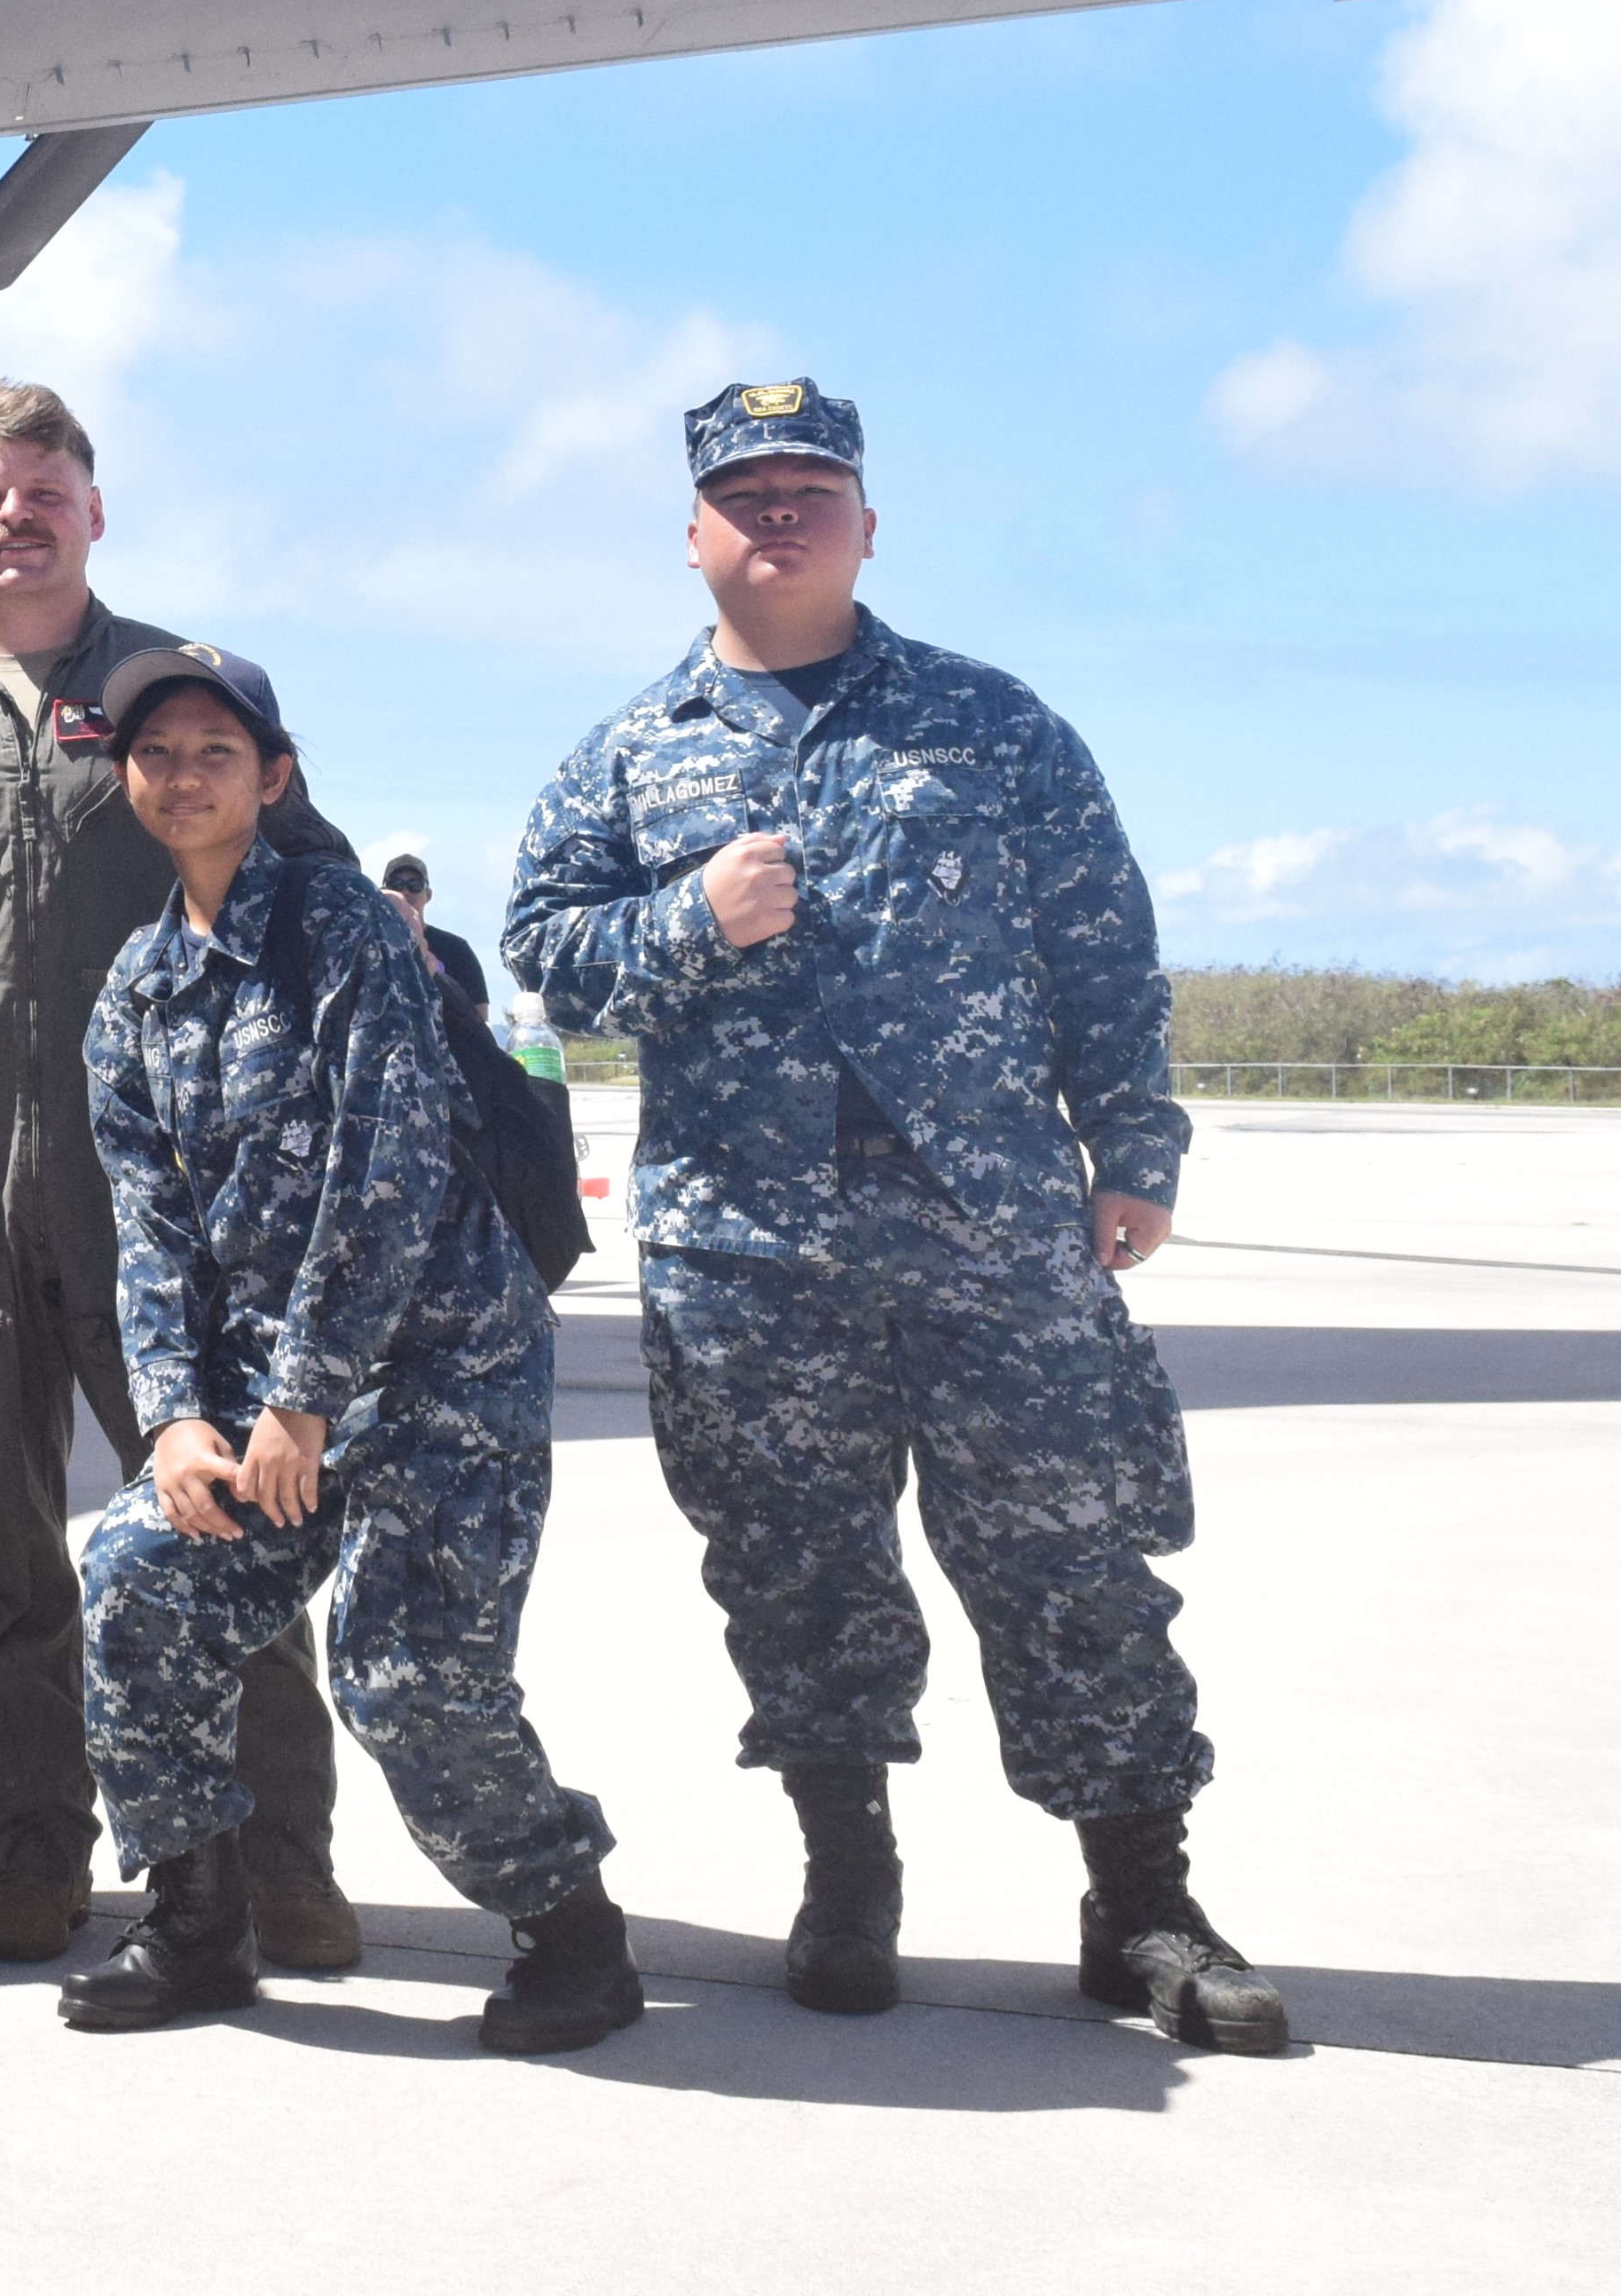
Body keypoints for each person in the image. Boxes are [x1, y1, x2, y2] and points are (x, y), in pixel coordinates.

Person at [505, 378, 1284, 2054]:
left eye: (809, 489)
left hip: (988, 1221)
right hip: (745, 1241)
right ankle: (845, 1878)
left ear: (866, 523)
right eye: (745, 492)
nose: (776, 514)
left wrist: (1132, 1144)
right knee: (794, 1574)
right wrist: (684, 921)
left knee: (1072, 1557)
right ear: (694, 530)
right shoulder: (627, 754)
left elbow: (1098, 940)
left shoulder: (992, 724)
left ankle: (1138, 1896)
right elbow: (546, 947)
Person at [0, 381, 360, 1972]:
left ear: (91, 511)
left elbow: (316, 881)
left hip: (158, 1159)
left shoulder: (176, 690)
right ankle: (33, 1837)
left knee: (218, 1507)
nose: (13, 516)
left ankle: (276, 1849)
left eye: (43, 490)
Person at [66, 647, 633, 2044]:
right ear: (126, 777)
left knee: (409, 1677)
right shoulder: (136, 990)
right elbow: (148, 1230)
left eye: (215, 750)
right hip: (267, 1402)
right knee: (137, 1578)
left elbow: (386, 1167)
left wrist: (308, 1395)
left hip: (443, 1371)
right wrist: (174, 1419)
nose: (184, 775)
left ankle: (573, 1929)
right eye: (157, 753)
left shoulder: (346, 929)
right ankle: (199, 1920)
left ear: (272, 773)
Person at [381, 854, 496, 1034]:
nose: (406, 892)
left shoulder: (456, 949)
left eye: (415, 884)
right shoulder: (372, 948)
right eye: (396, 884)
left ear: (428, 894)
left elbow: (480, 1018)